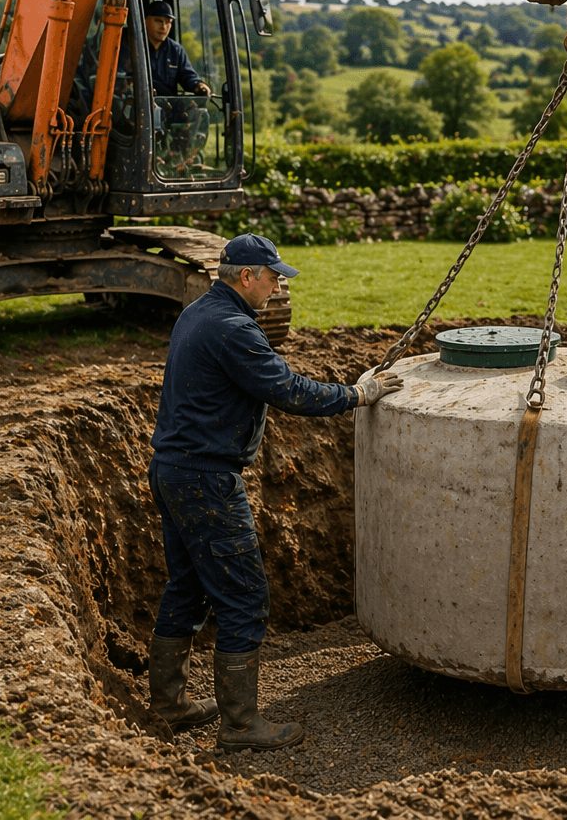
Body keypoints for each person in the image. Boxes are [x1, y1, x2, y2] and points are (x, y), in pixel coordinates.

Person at [147, 233, 402, 752]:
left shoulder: (198, 313)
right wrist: (358, 394)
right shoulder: (234, 329)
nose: (278, 287)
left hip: (173, 468)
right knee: (244, 596)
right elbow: (288, 389)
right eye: (273, 278)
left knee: (187, 586)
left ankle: (169, 704)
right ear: (246, 277)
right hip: (206, 479)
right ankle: (241, 726)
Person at [140, 0, 210, 97]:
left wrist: (198, 85)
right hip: (138, 103)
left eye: (168, 22)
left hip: (168, 105)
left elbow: (188, 76)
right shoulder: (131, 46)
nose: (163, 27)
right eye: (158, 21)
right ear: (145, 21)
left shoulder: (176, 50)